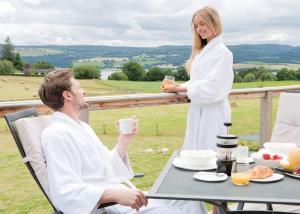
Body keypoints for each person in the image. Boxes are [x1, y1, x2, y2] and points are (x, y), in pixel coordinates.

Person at [39, 68, 207, 214]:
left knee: (191, 201)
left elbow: (105, 167)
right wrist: (115, 195)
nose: (84, 91)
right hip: (107, 207)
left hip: (119, 196)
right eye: (79, 88)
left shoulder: (81, 127)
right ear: (68, 95)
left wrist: (123, 140)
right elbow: (65, 192)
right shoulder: (56, 135)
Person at [162, 6, 234, 150]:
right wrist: (176, 86)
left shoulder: (223, 53)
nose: (199, 29)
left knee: (210, 154)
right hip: (197, 110)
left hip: (214, 112)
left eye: (202, 23)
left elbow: (213, 86)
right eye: (196, 26)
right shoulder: (202, 52)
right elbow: (198, 81)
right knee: (194, 153)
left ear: (214, 22)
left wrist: (182, 88)